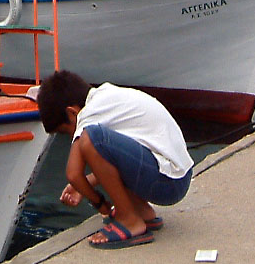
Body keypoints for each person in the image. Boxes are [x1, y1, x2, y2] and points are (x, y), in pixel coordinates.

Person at [37, 69, 194, 250]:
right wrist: (87, 183)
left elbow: (73, 174)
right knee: (100, 142)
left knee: (91, 139)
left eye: (67, 131)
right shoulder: (106, 95)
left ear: (72, 113)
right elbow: (116, 158)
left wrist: (101, 205)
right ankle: (142, 213)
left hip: (168, 182)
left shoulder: (88, 115)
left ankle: (129, 221)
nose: (72, 137)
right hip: (175, 177)